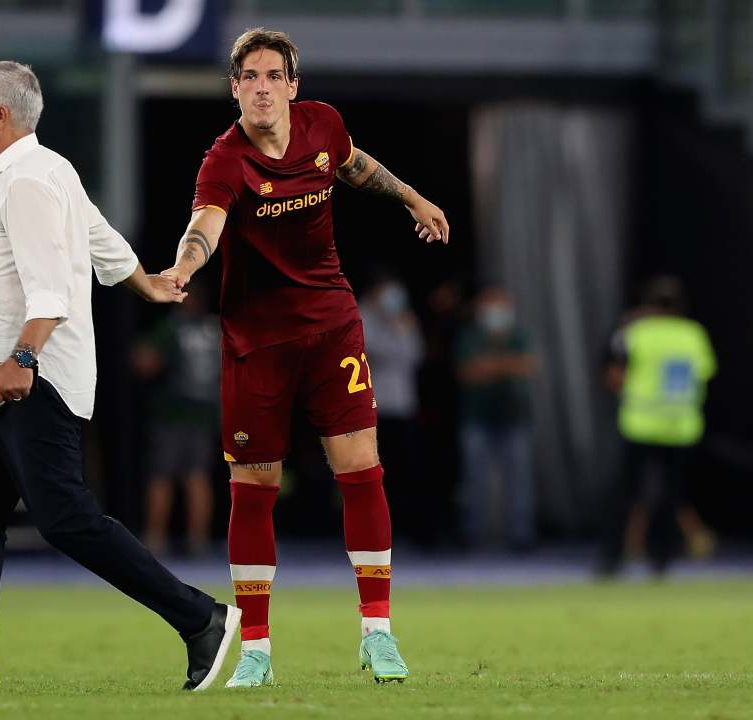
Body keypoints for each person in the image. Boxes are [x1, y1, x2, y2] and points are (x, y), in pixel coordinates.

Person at [0, 61, 239, 695]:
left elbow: (49, 291)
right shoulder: (51, 169)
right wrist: (147, 281)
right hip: (11, 381)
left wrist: (23, 360)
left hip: (33, 376)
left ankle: (200, 618)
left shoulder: (24, 183)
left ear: (2, 115)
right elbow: (100, 238)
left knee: (65, 518)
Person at [159, 28, 450, 687]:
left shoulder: (323, 126)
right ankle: (256, 649)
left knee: (362, 469)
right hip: (255, 343)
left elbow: (356, 165)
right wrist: (184, 265)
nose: (261, 86)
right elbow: (205, 224)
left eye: (272, 76)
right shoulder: (224, 161)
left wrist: (412, 197)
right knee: (254, 488)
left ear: (293, 86)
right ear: (234, 89)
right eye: (248, 77)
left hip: (329, 328)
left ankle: (378, 633)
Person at [596, 276, 716, 577]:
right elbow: (704, 373)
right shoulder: (694, 334)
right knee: (670, 495)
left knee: (626, 493)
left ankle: (612, 559)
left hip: (640, 423)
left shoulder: (635, 333)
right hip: (679, 426)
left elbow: (614, 377)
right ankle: (662, 559)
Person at [131, 287, 221, 557]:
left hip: (171, 414)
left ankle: (155, 539)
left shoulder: (171, 328)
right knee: (198, 477)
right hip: (204, 415)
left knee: (162, 476)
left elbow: (146, 364)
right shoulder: (215, 330)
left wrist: (138, 354)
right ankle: (198, 541)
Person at [454, 287, 536, 551]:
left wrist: (490, 366)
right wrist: (505, 366)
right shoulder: (470, 336)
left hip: (514, 416)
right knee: (474, 479)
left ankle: (520, 536)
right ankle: (472, 533)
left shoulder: (518, 335)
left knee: (519, 479)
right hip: (477, 417)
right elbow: (468, 372)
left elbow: (528, 365)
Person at [357, 275, 425, 545]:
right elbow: (371, 352)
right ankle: (370, 533)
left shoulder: (403, 318)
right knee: (371, 473)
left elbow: (415, 354)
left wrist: (401, 329)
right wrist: (395, 333)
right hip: (372, 406)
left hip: (403, 405)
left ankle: (404, 529)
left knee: (404, 470)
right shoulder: (362, 314)